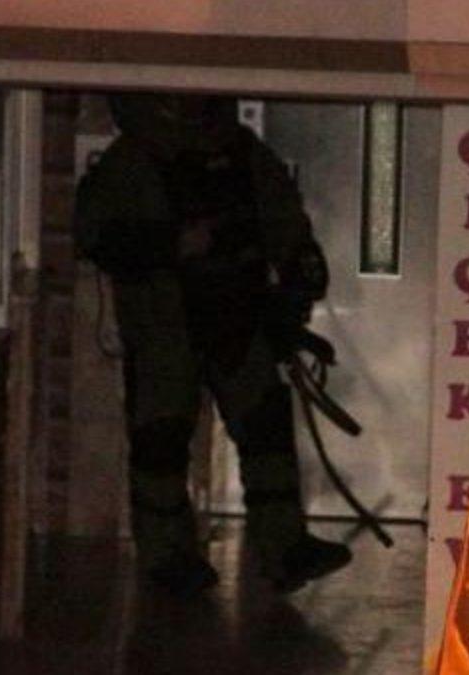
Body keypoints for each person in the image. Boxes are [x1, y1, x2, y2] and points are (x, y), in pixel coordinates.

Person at [74, 93, 351, 595]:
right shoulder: (131, 160)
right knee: (160, 442)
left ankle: (284, 547)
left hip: (237, 316)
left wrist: (298, 278)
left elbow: (282, 219)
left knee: (266, 430)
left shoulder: (240, 151)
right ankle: (168, 557)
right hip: (164, 326)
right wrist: (170, 244)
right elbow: (94, 235)